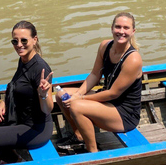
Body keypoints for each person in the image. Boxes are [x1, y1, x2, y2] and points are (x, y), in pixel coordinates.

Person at [56, 12, 142, 153]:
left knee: (76, 106)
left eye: (126, 28)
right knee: (61, 95)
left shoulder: (133, 59)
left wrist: (80, 98)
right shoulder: (105, 46)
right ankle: (79, 136)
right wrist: (78, 93)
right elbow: (95, 74)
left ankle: (93, 153)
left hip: (123, 113)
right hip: (106, 99)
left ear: (133, 31)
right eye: (118, 27)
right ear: (112, 28)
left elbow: (113, 94)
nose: (121, 31)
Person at [0, 21, 54, 163]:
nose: (19, 45)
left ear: (35, 40)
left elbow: (47, 109)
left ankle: (15, 159)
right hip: (18, 115)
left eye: (24, 40)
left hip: (35, 128)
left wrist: (43, 94)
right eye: (15, 41)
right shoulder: (23, 59)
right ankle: (11, 147)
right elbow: (16, 87)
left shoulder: (40, 69)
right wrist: (4, 102)